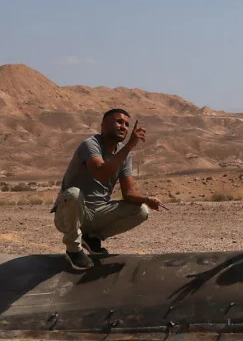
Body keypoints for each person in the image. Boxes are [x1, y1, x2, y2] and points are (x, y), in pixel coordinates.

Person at [52, 107, 161, 270]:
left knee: (142, 211)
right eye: (119, 121)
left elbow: (129, 193)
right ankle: (73, 249)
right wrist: (130, 145)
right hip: (69, 213)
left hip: (97, 213)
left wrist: (147, 199)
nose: (123, 126)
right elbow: (101, 173)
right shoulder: (90, 145)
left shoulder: (124, 155)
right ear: (103, 125)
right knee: (74, 194)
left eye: (126, 124)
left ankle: (92, 237)